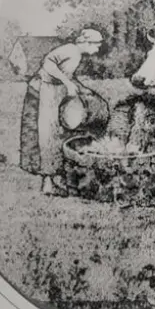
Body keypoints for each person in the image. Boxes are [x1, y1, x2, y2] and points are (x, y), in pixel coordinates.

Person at [19, 28, 105, 196]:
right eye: (97, 45)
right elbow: (48, 63)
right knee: (49, 135)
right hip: (44, 90)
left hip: (53, 91)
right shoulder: (71, 50)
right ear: (86, 42)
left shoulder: (75, 54)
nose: (98, 49)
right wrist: (67, 82)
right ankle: (48, 183)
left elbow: (68, 76)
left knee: (58, 133)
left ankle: (56, 179)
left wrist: (82, 88)